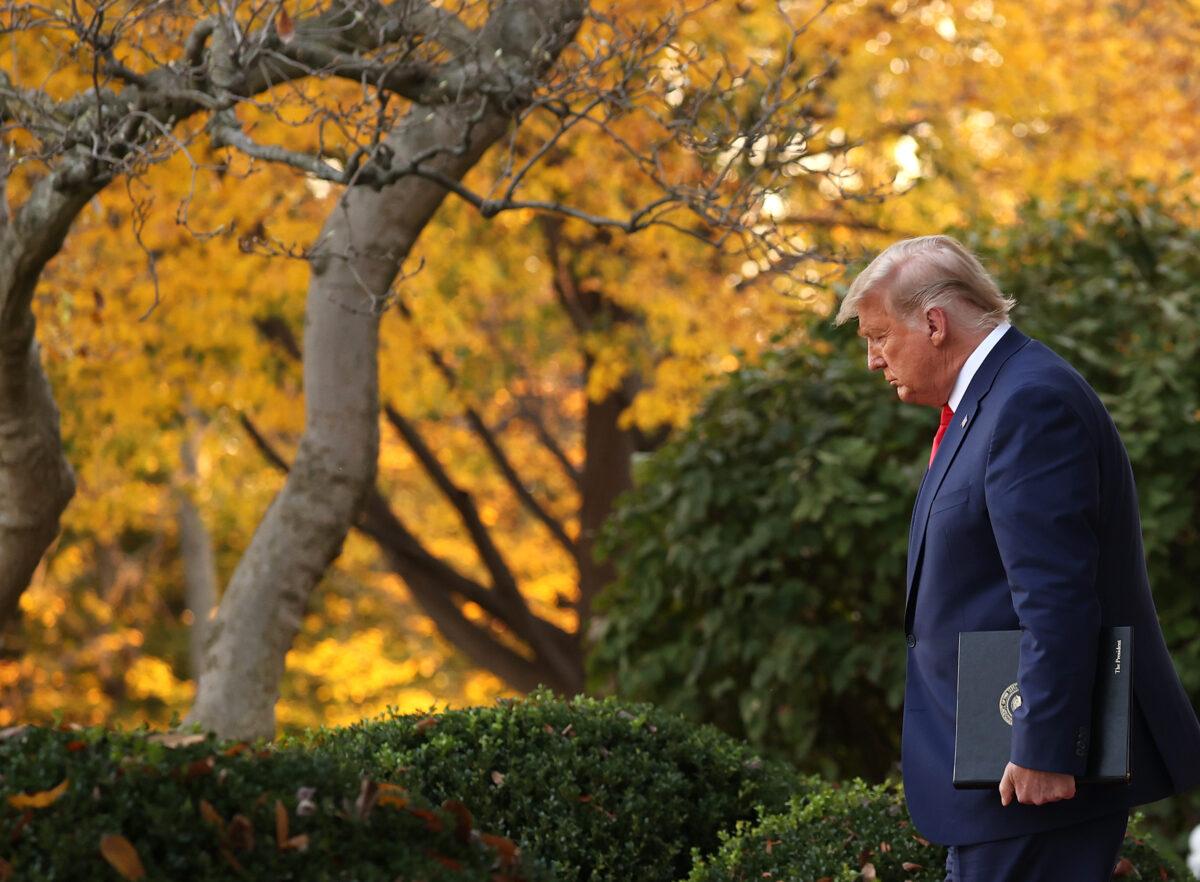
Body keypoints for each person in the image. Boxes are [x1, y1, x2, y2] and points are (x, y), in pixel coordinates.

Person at [835, 235, 1200, 882]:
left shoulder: (1028, 405)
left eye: (878, 335)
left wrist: (1043, 747)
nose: (873, 359)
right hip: (999, 778)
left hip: (1030, 779)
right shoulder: (992, 402)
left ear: (934, 323)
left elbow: (1056, 596)